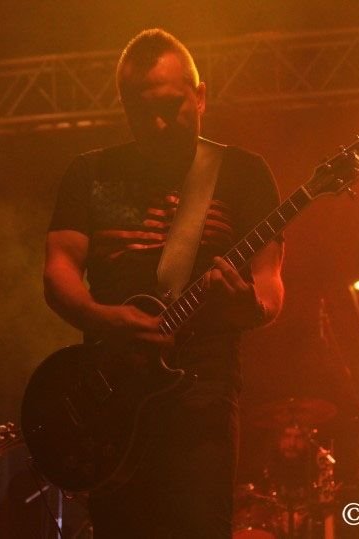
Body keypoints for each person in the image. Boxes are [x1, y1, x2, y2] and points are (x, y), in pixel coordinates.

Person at [43, 29, 285, 537]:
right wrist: (105, 318)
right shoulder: (90, 173)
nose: (158, 123)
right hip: (111, 397)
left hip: (201, 393)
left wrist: (249, 307)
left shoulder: (243, 173)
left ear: (200, 96)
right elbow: (59, 271)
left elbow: (269, 284)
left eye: (172, 106)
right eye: (142, 111)